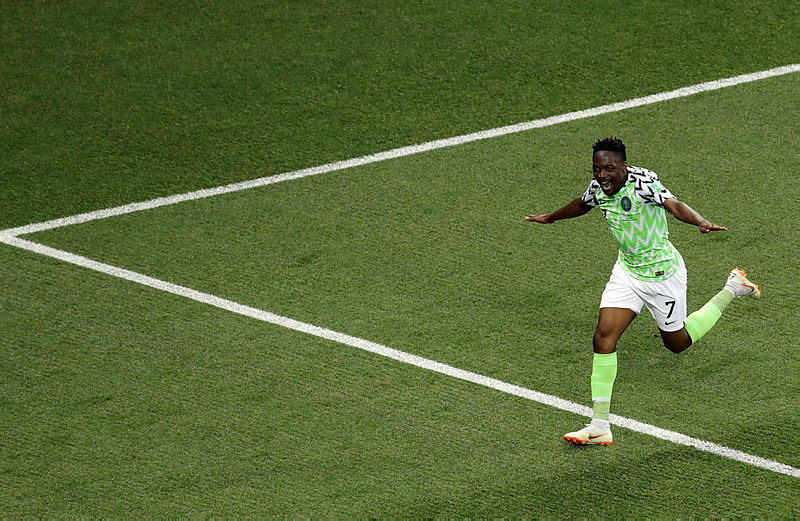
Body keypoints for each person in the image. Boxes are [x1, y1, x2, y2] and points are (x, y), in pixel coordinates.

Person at [524, 137, 760, 445]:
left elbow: (674, 205)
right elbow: (582, 204)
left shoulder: (643, 183)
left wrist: (700, 221)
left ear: (623, 166)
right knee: (603, 338)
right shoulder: (599, 188)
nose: (602, 175)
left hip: (662, 275)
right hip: (628, 272)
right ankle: (599, 425)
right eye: (597, 169)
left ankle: (733, 288)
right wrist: (551, 217)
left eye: (608, 169)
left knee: (677, 344)